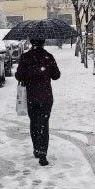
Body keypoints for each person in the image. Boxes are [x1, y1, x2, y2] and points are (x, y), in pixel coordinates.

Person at [15, 38, 61, 166]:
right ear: (43, 42)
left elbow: (19, 76)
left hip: (31, 97)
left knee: (34, 122)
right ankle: (43, 152)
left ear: (31, 42)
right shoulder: (48, 57)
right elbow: (56, 75)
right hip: (46, 97)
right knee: (44, 123)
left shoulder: (25, 57)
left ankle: (36, 148)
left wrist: (28, 73)